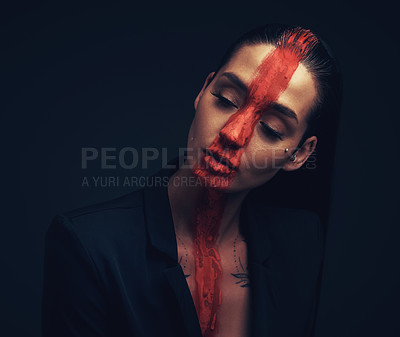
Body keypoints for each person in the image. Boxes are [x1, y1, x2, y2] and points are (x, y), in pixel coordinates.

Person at [42, 23, 342, 337]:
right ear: (202, 92)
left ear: (299, 154)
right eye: (226, 99)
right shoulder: (89, 247)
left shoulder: (300, 242)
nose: (232, 133)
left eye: (271, 128)